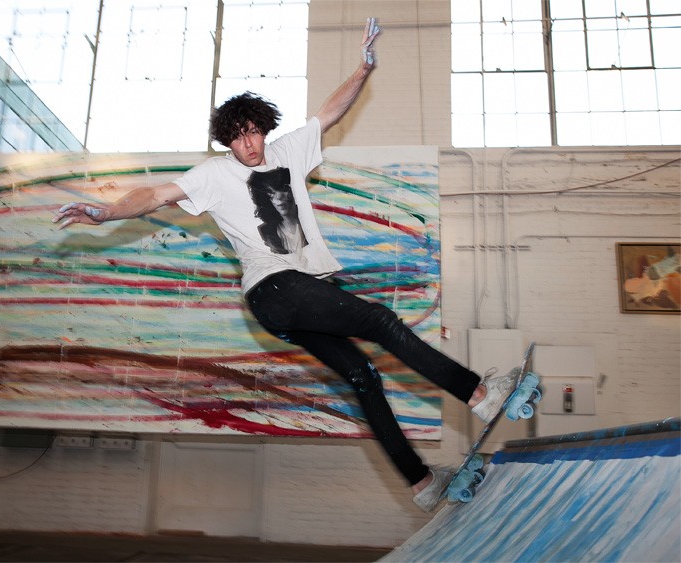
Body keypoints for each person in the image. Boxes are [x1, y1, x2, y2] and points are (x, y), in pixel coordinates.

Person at [53, 18, 518, 513]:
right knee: (381, 322)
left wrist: (363, 69)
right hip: (274, 288)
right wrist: (104, 213)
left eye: (254, 133)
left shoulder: (287, 151)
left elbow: (328, 113)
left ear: (264, 129)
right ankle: (478, 394)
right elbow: (154, 195)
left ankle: (421, 483)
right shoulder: (214, 174)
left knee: (363, 374)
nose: (249, 146)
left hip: (288, 301)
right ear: (226, 142)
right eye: (238, 139)